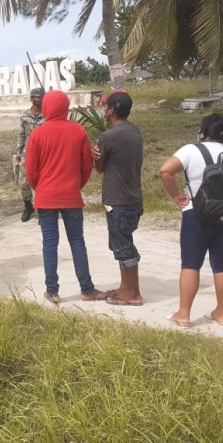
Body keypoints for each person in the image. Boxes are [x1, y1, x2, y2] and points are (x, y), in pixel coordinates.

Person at [159, 114, 223, 328]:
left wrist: (176, 196)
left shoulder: (191, 151)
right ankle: (221, 314)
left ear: (203, 133)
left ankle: (183, 314)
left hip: (196, 214)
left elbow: (165, 171)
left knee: (191, 264)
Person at [25, 89, 102, 304]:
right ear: (66, 107)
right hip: (71, 195)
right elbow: (87, 165)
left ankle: (53, 291)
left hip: (46, 196)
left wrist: (39, 188)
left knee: (50, 243)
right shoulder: (78, 131)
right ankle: (86, 289)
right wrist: (76, 185)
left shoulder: (38, 133)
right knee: (77, 241)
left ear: (46, 107)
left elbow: (31, 169)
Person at [91, 90, 145, 306]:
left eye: (106, 107)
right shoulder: (135, 131)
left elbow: (100, 169)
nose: (104, 110)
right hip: (133, 197)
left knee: (123, 247)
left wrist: (95, 154)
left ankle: (133, 294)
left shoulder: (108, 137)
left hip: (118, 200)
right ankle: (125, 288)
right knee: (125, 241)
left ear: (112, 110)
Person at [14, 87, 45, 222]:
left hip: (44, 153)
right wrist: (18, 152)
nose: (40, 100)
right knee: (24, 182)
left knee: (42, 182)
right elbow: (21, 135)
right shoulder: (25, 116)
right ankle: (28, 207)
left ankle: (42, 209)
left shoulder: (47, 115)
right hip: (28, 153)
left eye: (42, 97)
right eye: (37, 98)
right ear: (32, 99)